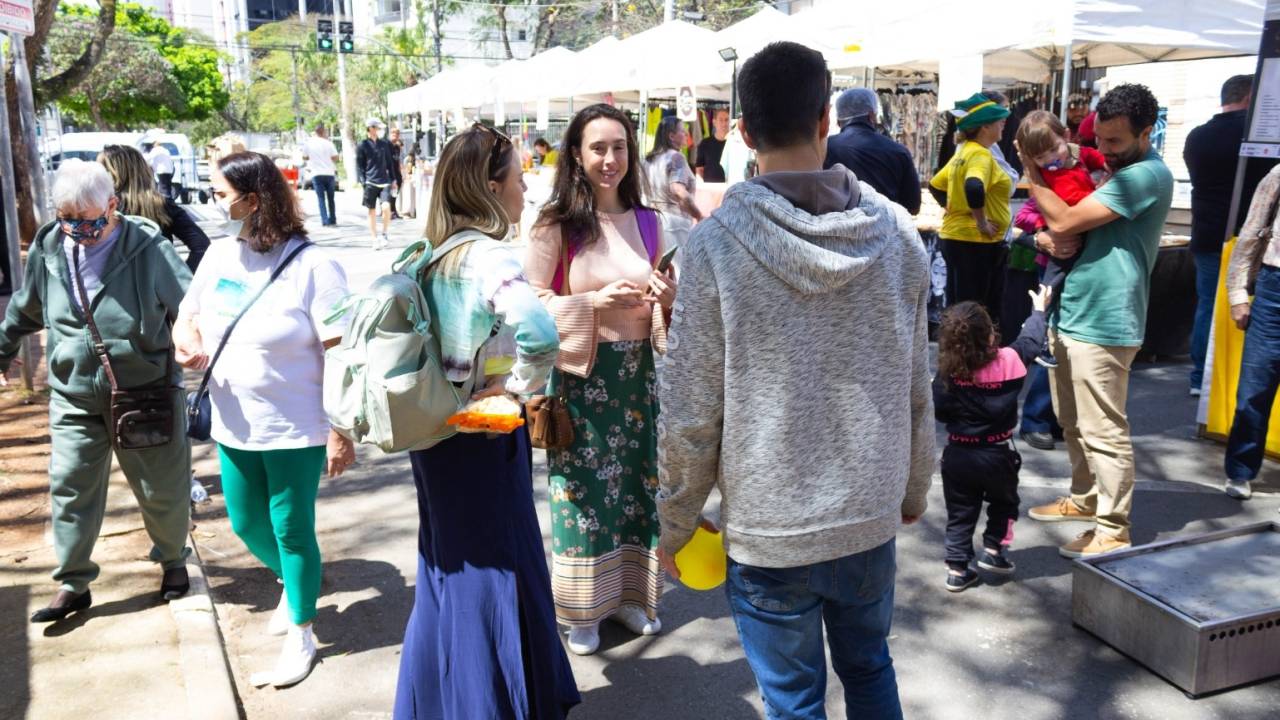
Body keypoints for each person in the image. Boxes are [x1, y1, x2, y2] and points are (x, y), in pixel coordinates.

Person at [657, 42, 933, 718]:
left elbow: (691, 410)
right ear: (823, 121)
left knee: (791, 700)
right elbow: (915, 382)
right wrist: (916, 484)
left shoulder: (716, 246)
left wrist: (673, 523)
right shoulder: (896, 233)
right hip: (868, 513)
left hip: (770, 527)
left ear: (742, 131)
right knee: (870, 671)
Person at [393, 123, 579, 720]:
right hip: (483, 432)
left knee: (446, 567)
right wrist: (519, 388)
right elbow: (541, 332)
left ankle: (442, 700)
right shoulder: (488, 254)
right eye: (520, 180)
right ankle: (490, 704)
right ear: (490, 188)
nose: (526, 192)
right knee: (490, 572)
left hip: (435, 436)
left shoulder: (429, 254)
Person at [172, 151, 355, 687]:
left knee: (291, 527)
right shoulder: (220, 256)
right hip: (234, 421)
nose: (215, 204)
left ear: (254, 200)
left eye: (221, 195)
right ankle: (296, 582)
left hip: (297, 425)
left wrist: (340, 429)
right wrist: (188, 341)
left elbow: (342, 351)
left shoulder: (315, 266)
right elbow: (189, 314)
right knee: (245, 522)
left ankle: (302, 630)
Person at [0, 160, 194, 622]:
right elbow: (27, 308)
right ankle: (73, 583)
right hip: (73, 393)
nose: (77, 231)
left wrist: (194, 342)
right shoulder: (51, 243)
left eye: (88, 221)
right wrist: (2, 349)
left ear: (113, 205)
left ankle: (172, 560)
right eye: (67, 219)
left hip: (144, 390)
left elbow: (190, 305)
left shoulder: (147, 245)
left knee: (160, 486)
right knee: (69, 485)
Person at [525, 103, 677, 656]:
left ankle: (633, 597)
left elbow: (665, 296)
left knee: (639, 488)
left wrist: (668, 298)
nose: (610, 159)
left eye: (619, 147)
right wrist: (590, 302)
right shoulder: (555, 224)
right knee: (582, 496)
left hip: (638, 376)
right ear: (576, 155)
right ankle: (582, 609)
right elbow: (530, 305)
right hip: (581, 379)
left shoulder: (648, 220)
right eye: (598, 148)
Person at [1020, 83, 1173, 558]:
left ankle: (1112, 526)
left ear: (1146, 133)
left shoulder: (1145, 175)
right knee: (1073, 421)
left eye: (1115, 143)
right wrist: (1043, 241)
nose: (1103, 151)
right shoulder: (1111, 167)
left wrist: (1031, 170)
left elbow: (1064, 223)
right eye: (1100, 139)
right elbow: (1053, 233)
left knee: (1103, 429)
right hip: (1074, 309)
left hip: (1107, 319)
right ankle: (1085, 499)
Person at [934, 289, 1048, 592]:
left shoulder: (948, 374)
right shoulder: (1010, 361)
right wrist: (1039, 310)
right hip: (998, 454)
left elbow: (940, 411)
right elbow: (1031, 342)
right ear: (990, 336)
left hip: (958, 455)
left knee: (960, 513)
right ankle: (995, 549)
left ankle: (957, 569)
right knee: (1005, 502)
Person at [1185, 75, 1278, 396]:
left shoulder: (1197, 136)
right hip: (1248, 239)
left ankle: (1199, 378)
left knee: (1207, 306)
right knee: (1247, 310)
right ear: (1251, 97)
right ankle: (1228, 382)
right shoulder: (1256, 135)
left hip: (1207, 233)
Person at [1013, 110, 1110, 367]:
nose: (1051, 160)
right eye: (1041, 158)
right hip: (1058, 252)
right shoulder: (1044, 181)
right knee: (1047, 293)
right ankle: (1035, 334)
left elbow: (1101, 159)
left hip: (1080, 250)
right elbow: (1022, 218)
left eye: (1054, 150)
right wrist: (1044, 230)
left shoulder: (1080, 160)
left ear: (1066, 137)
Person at [1222, 164, 1280, 501]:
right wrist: (1238, 294)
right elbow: (1252, 230)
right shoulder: (1277, 173)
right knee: (1255, 388)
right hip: (1274, 287)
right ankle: (1241, 470)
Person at [929, 93, 1013, 323]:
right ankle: (974, 355)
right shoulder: (979, 155)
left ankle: (957, 352)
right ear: (985, 126)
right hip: (977, 243)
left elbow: (935, 184)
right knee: (978, 311)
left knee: (960, 306)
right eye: (999, 122)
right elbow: (974, 186)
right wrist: (981, 222)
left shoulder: (963, 152)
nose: (1002, 126)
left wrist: (952, 208)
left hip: (957, 237)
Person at [99, 144, 210, 271]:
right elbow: (202, 246)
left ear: (112, 173)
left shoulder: (100, 207)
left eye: (101, 170)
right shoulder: (162, 204)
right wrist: (180, 280)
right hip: (158, 286)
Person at [824, 87, 922, 214]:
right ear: (872, 116)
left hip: (834, 230)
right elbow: (913, 207)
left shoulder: (824, 148)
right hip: (883, 231)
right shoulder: (899, 152)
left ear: (838, 121)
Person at [645, 115, 704, 248]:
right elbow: (678, 190)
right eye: (683, 131)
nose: (686, 134)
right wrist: (698, 215)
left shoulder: (648, 160)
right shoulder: (676, 157)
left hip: (650, 221)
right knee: (677, 267)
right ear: (671, 136)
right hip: (674, 225)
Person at [357, 118, 402, 250]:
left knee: (386, 207)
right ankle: (374, 238)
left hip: (384, 181)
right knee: (371, 211)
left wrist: (393, 179)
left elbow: (390, 163)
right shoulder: (363, 145)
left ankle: (384, 233)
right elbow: (360, 166)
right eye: (377, 128)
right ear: (370, 128)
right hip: (370, 182)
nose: (379, 130)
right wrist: (363, 182)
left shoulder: (384, 144)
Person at [302, 123, 340, 227]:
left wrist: (312, 158)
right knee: (331, 198)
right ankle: (333, 219)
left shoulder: (309, 143)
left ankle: (325, 220)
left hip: (316, 173)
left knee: (321, 198)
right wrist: (328, 158)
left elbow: (304, 157)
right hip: (329, 173)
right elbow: (336, 157)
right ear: (323, 132)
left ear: (315, 132)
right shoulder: (329, 143)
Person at [695, 107, 731, 183]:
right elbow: (699, 169)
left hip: (730, 188)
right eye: (721, 120)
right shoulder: (705, 143)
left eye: (726, 120)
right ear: (714, 122)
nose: (724, 123)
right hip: (710, 188)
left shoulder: (734, 143)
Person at [389, 126, 405, 220]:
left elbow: (397, 159)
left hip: (396, 171)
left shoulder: (397, 147)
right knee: (390, 191)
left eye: (397, 134)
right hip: (389, 172)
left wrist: (400, 171)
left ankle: (393, 209)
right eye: (394, 134)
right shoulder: (387, 146)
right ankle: (391, 211)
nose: (395, 136)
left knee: (397, 190)